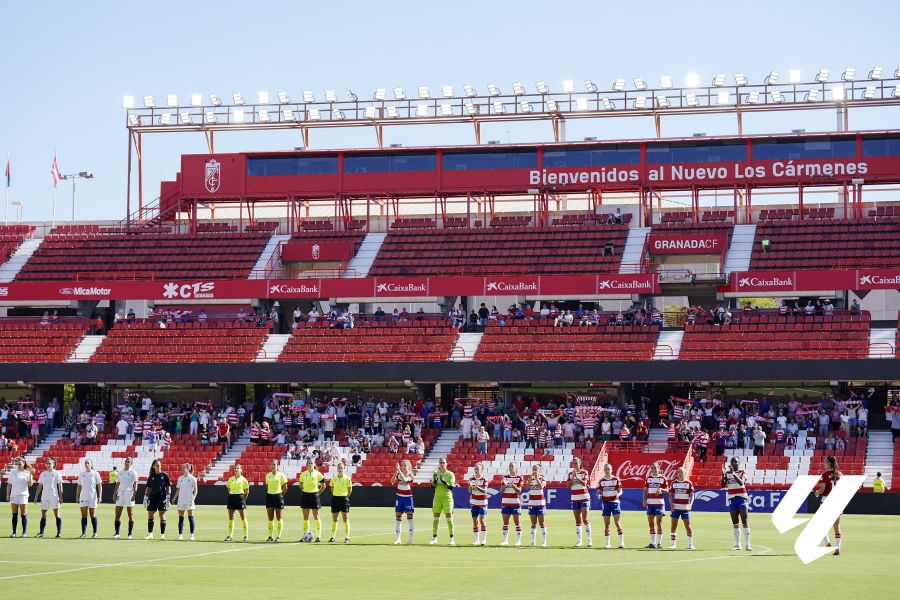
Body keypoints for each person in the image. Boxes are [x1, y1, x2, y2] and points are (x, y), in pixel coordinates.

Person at [815, 456, 845, 555]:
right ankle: (837, 549)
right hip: (837, 502)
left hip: (826, 501)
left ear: (829, 463)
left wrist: (817, 492)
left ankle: (828, 544)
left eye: (825, 462)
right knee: (837, 527)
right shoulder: (840, 474)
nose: (824, 463)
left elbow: (822, 489)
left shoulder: (824, 475)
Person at [722, 456, 751, 551]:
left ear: (739, 463)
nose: (734, 463)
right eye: (732, 462)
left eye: (736, 462)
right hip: (732, 500)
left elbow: (741, 483)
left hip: (742, 499)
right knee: (735, 523)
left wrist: (733, 474)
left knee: (745, 522)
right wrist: (723, 475)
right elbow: (722, 485)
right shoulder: (727, 473)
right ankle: (738, 545)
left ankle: (747, 545)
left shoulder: (743, 472)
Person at [429, 457, 456, 545]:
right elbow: (432, 486)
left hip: (447, 498)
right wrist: (435, 482)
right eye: (440, 462)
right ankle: (434, 538)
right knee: (436, 518)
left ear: (446, 464)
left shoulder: (450, 474)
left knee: (449, 518)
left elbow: (451, 487)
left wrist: (444, 482)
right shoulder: (435, 473)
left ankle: (452, 538)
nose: (442, 464)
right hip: (437, 497)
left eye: (443, 462)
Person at [35, 457, 64, 538]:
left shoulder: (57, 474)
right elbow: (40, 486)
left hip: (54, 496)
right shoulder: (43, 473)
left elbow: (60, 485)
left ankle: (59, 533)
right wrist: (36, 496)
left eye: (49, 463)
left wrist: (61, 496)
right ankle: (41, 532)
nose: (47, 465)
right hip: (44, 497)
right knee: (43, 515)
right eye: (46, 463)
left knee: (57, 515)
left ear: (53, 464)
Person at [597, 463, 624, 548]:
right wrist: (598, 496)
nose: (607, 471)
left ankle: (621, 543)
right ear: (604, 470)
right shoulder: (601, 481)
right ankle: (607, 543)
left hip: (615, 503)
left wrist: (618, 495)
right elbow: (598, 492)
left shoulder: (616, 479)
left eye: (609, 469)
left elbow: (621, 491)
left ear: (611, 470)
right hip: (606, 503)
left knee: (617, 522)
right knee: (607, 523)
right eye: (606, 469)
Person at [143, 458, 171, 540]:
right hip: (152, 497)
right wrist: (145, 497)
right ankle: (150, 534)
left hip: (162, 497)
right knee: (150, 514)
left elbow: (168, 487)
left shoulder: (165, 475)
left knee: (162, 515)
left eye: (159, 465)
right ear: (153, 467)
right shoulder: (151, 476)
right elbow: (148, 487)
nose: (158, 466)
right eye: (157, 465)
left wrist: (168, 497)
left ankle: (162, 534)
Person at [299, 458, 325, 542]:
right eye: (309, 463)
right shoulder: (303, 474)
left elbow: (323, 485)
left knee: (316, 516)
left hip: (314, 495)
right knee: (305, 517)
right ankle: (305, 536)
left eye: (311, 463)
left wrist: (317, 493)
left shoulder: (318, 474)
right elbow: (300, 484)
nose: (310, 464)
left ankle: (318, 536)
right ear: (307, 464)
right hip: (305, 495)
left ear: (314, 464)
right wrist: (304, 490)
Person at [642, 461, 668, 549]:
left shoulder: (662, 478)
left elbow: (668, 490)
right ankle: (652, 543)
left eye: (655, 468)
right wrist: (644, 500)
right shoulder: (648, 478)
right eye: (652, 468)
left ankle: (659, 543)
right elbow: (645, 490)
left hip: (659, 504)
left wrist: (661, 489)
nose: (653, 469)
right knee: (650, 523)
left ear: (659, 468)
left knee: (659, 523)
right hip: (650, 503)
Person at [568, 456, 592, 547]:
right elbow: (568, 486)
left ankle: (589, 540)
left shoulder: (584, 472)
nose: (574, 465)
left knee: (585, 519)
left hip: (584, 497)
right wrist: (572, 478)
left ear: (579, 463)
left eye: (575, 463)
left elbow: (585, 483)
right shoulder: (570, 473)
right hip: (574, 498)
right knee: (577, 521)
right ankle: (579, 541)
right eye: (573, 463)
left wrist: (576, 477)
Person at [668, 467, 695, 550]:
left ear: (685, 473)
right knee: (673, 526)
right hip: (676, 508)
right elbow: (670, 495)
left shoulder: (688, 483)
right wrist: (672, 505)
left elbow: (692, 495)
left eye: (681, 472)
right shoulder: (674, 483)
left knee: (688, 526)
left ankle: (690, 545)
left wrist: (690, 504)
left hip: (685, 508)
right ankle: (673, 544)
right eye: (678, 472)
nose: (679, 473)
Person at [262, 459, 288, 543]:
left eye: (274, 465)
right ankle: (270, 536)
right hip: (269, 496)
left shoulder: (281, 475)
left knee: (279, 517)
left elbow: (285, 487)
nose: (273, 466)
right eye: (272, 464)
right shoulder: (268, 475)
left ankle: (278, 536)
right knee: (270, 518)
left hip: (278, 496)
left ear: (277, 466)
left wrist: (280, 495)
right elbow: (267, 486)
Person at [7, 457, 34, 537]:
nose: (18, 465)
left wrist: (31, 474)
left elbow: (30, 484)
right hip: (14, 495)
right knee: (14, 514)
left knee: (23, 514)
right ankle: (14, 532)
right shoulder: (13, 472)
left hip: (23, 495)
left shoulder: (27, 473)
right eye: (17, 464)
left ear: (23, 464)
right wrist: (8, 495)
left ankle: (24, 532)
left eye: (20, 464)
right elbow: (9, 484)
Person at [113, 456, 139, 539]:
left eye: (128, 461)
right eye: (126, 461)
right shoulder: (120, 472)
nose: (127, 462)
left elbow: (135, 484)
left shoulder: (133, 472)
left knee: (130, 514)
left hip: (129, 493)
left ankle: (130, 534)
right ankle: (117, 533)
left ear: (131, 463)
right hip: (120, 493)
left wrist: (134, 495)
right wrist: (114, 493)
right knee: (117, 514)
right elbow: (117, 483)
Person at [76, 459, 102, 538]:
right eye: (85, 463)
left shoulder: (95, 473)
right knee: (84, 515)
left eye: (88, 463)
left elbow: (99, 485)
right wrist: (77, 496)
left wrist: (100, 496)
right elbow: (79, 486)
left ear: (91, 464)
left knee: (93, 515)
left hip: (92, 497)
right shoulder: (82, 474)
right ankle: (83, 533)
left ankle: (95, 533)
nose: (86, 464)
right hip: (83, 496)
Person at [391, 459, 415, 545]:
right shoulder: (399, 474)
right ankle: (398, 539)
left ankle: (410, 539)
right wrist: (395, 473)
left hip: (408, 498)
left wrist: (399, 471)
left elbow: (405, 480)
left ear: (408, 466)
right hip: (399, 498)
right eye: (402, 465)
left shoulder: (411, 475)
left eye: (405, 465)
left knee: (409, 517)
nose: (403, 467)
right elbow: (392, 481)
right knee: (398, 517)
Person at [499, 463, 523, 546]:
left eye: (512, 466)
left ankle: (518, 541)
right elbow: (501, 490)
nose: (511, 467)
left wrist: (513, 486)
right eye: (510, 466)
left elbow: (519, 491)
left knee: (517, 522)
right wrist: (504, 485)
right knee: (505, 522)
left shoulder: (519, 478)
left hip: (515, 502)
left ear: (516, 468)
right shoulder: (505, 478)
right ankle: (504, 540)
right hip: (505, 502)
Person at [225, 464, 250, 542]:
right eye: (235, 468)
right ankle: (230, 536)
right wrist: (232, 494)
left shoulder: (244, 480)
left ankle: (245, 536)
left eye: (237, 468)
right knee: (231, 517)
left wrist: (243, 499)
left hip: (240, 498)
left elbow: (247, 491)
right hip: (232, 497)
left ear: (241, 470)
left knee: (243, 517)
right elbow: (228, 489)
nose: (236, 469)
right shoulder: (230, 479)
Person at [173, 463, 198, 541]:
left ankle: (192, 535)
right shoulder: (180, 478)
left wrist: (193, 498)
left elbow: (196, 490)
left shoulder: (193, 478)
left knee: (190, 517)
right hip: (181, 500)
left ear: (188, 468)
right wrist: (174, 497)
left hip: (189, 499)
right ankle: (180, 535)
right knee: (181, 518)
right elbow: (178, 489)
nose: (182, 469)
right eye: (182, 467)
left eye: (183, 467)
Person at [329, 462, 352, 543]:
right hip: (335, 499)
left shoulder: (347, 479)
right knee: (335, 519)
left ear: (344, 469)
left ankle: (347, 537)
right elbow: (332, 488)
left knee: (345, 518)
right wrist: (336, 495)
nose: (340, 469)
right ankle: (333, 537)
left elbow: (350, 490)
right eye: (339, 468)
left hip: (344, 499)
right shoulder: (333, 478)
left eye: (341, 468)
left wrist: (345, 496)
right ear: (337, 469)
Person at [468, 463, 489, 546]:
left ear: (481, 470)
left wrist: (477, 487)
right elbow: (470, 491)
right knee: (475, 521)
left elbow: (485, 491)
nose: (476, 470)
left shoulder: (484, 479)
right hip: (474, 502)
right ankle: (476, 540)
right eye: (475, 468)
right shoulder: (471, 479)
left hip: (483, 502)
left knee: (482, 521)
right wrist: (470, 487)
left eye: (478, 469)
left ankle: (483, 540)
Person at [527, 464, 548, 547]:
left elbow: (542, 486)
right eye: (533, 469)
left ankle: (544, 541)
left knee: (542, 522)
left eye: (536, 469)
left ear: (539, 470)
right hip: (532, 503)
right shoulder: (530, 478)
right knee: (533, 523)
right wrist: (530, 480)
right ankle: (533, 541)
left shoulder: (542, 478)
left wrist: (536, 478)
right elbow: (526, 487)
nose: (534, 470)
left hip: (540, 503)